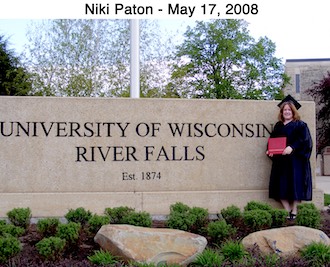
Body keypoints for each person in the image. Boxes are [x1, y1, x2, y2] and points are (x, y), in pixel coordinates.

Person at [267, 95, 313, 220]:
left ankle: (294, 210)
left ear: (293, 111)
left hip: (296, 162)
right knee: (280, 187)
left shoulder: (300, 125)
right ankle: (287, 211)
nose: (286, 112)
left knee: (295, 186)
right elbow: (272, 140)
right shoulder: (278, 126)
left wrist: (292, 147)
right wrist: (270, 150)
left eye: (289, 110)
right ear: (282, 112)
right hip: (281, 162)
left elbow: (305, 141)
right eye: (284, 110)